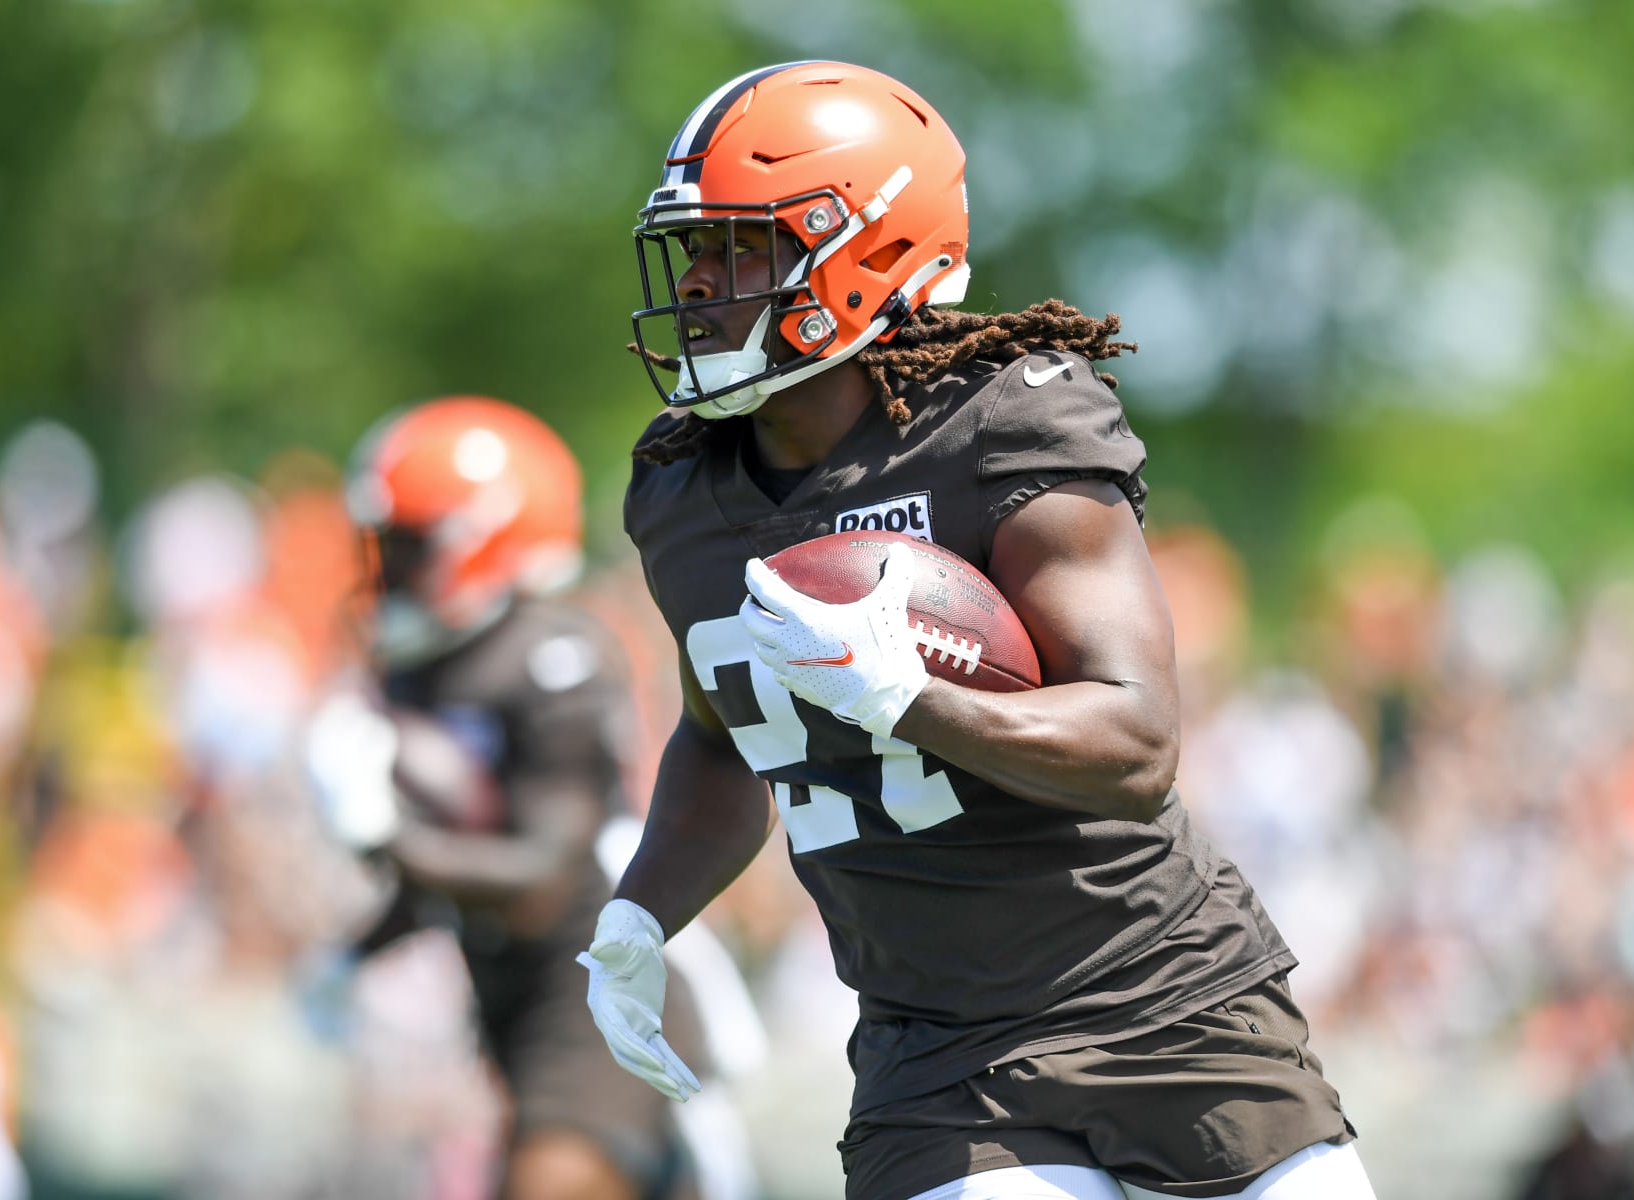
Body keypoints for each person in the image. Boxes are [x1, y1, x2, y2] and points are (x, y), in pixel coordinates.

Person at [580, 61, 1375, 1200]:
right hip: (936, 1055)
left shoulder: (1001, 424)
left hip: (1161, 997)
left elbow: (1137, 744)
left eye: (739, 246)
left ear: (862, 254)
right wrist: (640, 913)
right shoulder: (679, 494)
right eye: (693, 248)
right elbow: (722, 736)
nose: (698, 280)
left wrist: (910, 697)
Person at [312, 396, 748, 1200]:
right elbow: (455, 866)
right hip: (516, 1000)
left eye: (407, 544)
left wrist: (384, 837)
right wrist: (356, 951)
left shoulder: (553, 656)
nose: (387, 569)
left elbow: (542, 877)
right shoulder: (416, 673)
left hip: (602, 984)